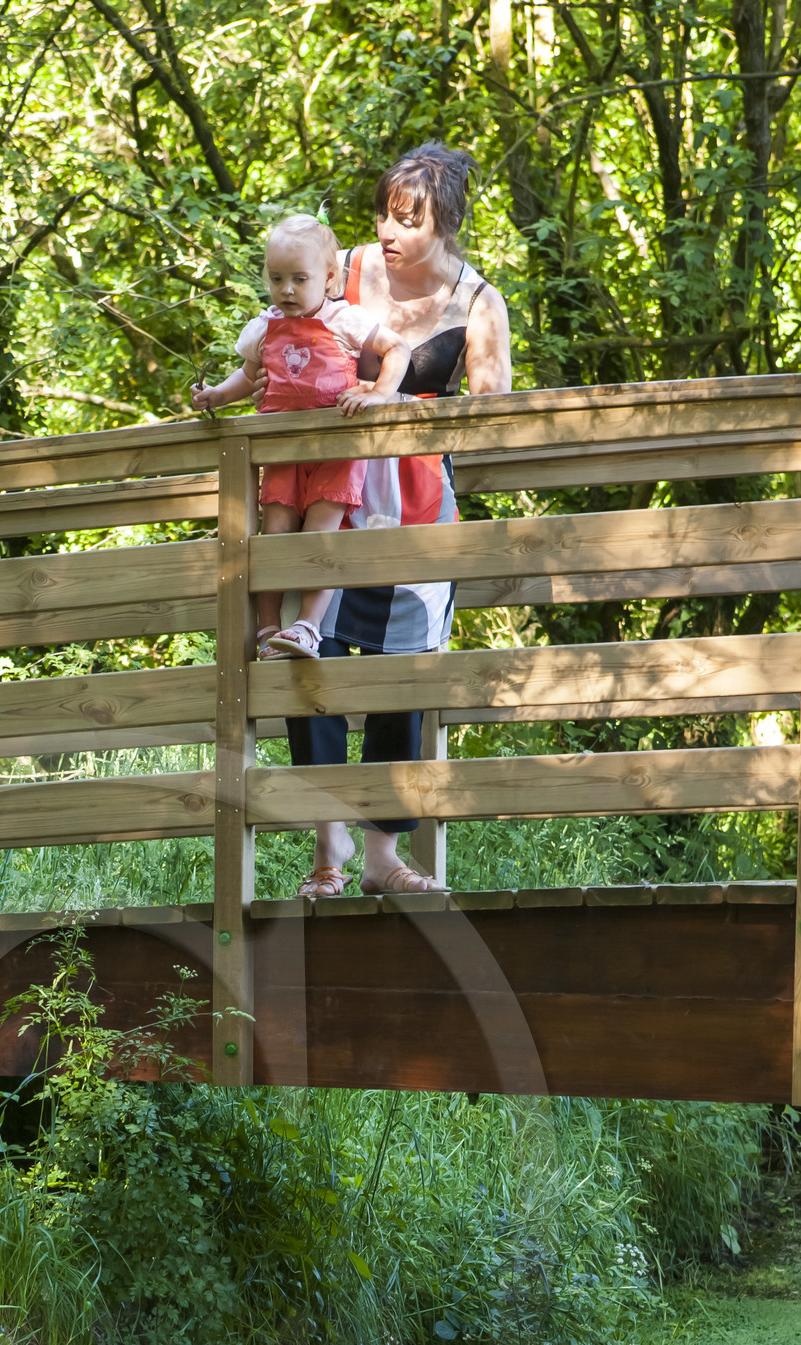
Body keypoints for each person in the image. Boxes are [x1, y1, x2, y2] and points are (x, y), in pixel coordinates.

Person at [274, 144, 514, 898]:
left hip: (415, 505)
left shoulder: (479, 302)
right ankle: (327, 853)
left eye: (408, 220)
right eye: (384, 212)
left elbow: (491, 413)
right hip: (328, 496)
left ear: (446, 224)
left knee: (402, 676)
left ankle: (384, 856)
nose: (388, 230)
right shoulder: (337, 268)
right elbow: (280, 348)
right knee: (313, 663)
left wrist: (400, 404)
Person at [189, 215, 411, 661]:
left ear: (329, 279)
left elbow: (397, 348)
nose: (286, 289)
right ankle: (267, 627)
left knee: (320, 535)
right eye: (276, 279)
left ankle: (308, 625)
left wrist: (381, 393)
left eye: (299, 279)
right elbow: (247, 376)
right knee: (275, 533)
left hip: (335, 450)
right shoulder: (264, 327)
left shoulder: (344, 319)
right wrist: (218, 395)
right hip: (280, 452)